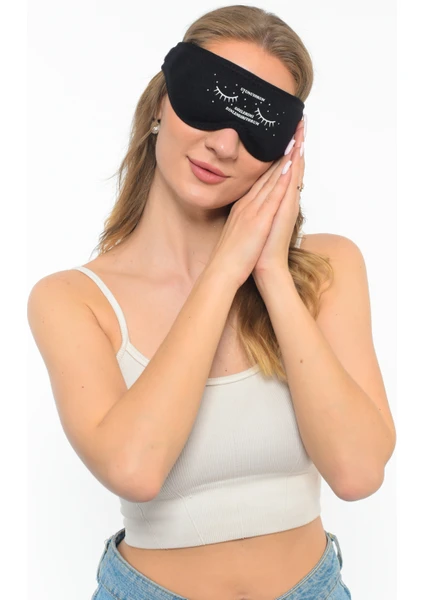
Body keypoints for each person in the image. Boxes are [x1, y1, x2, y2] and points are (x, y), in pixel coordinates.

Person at [27, 5, 396, 600]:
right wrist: (224, 270)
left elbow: (358, 473)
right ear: (160, 104)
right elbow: (135, 469)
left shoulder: (326, 270)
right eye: (210, 102)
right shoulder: (73, 301)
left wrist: (271, 273)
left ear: (286, 150)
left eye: (257, 123)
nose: (224, 144)